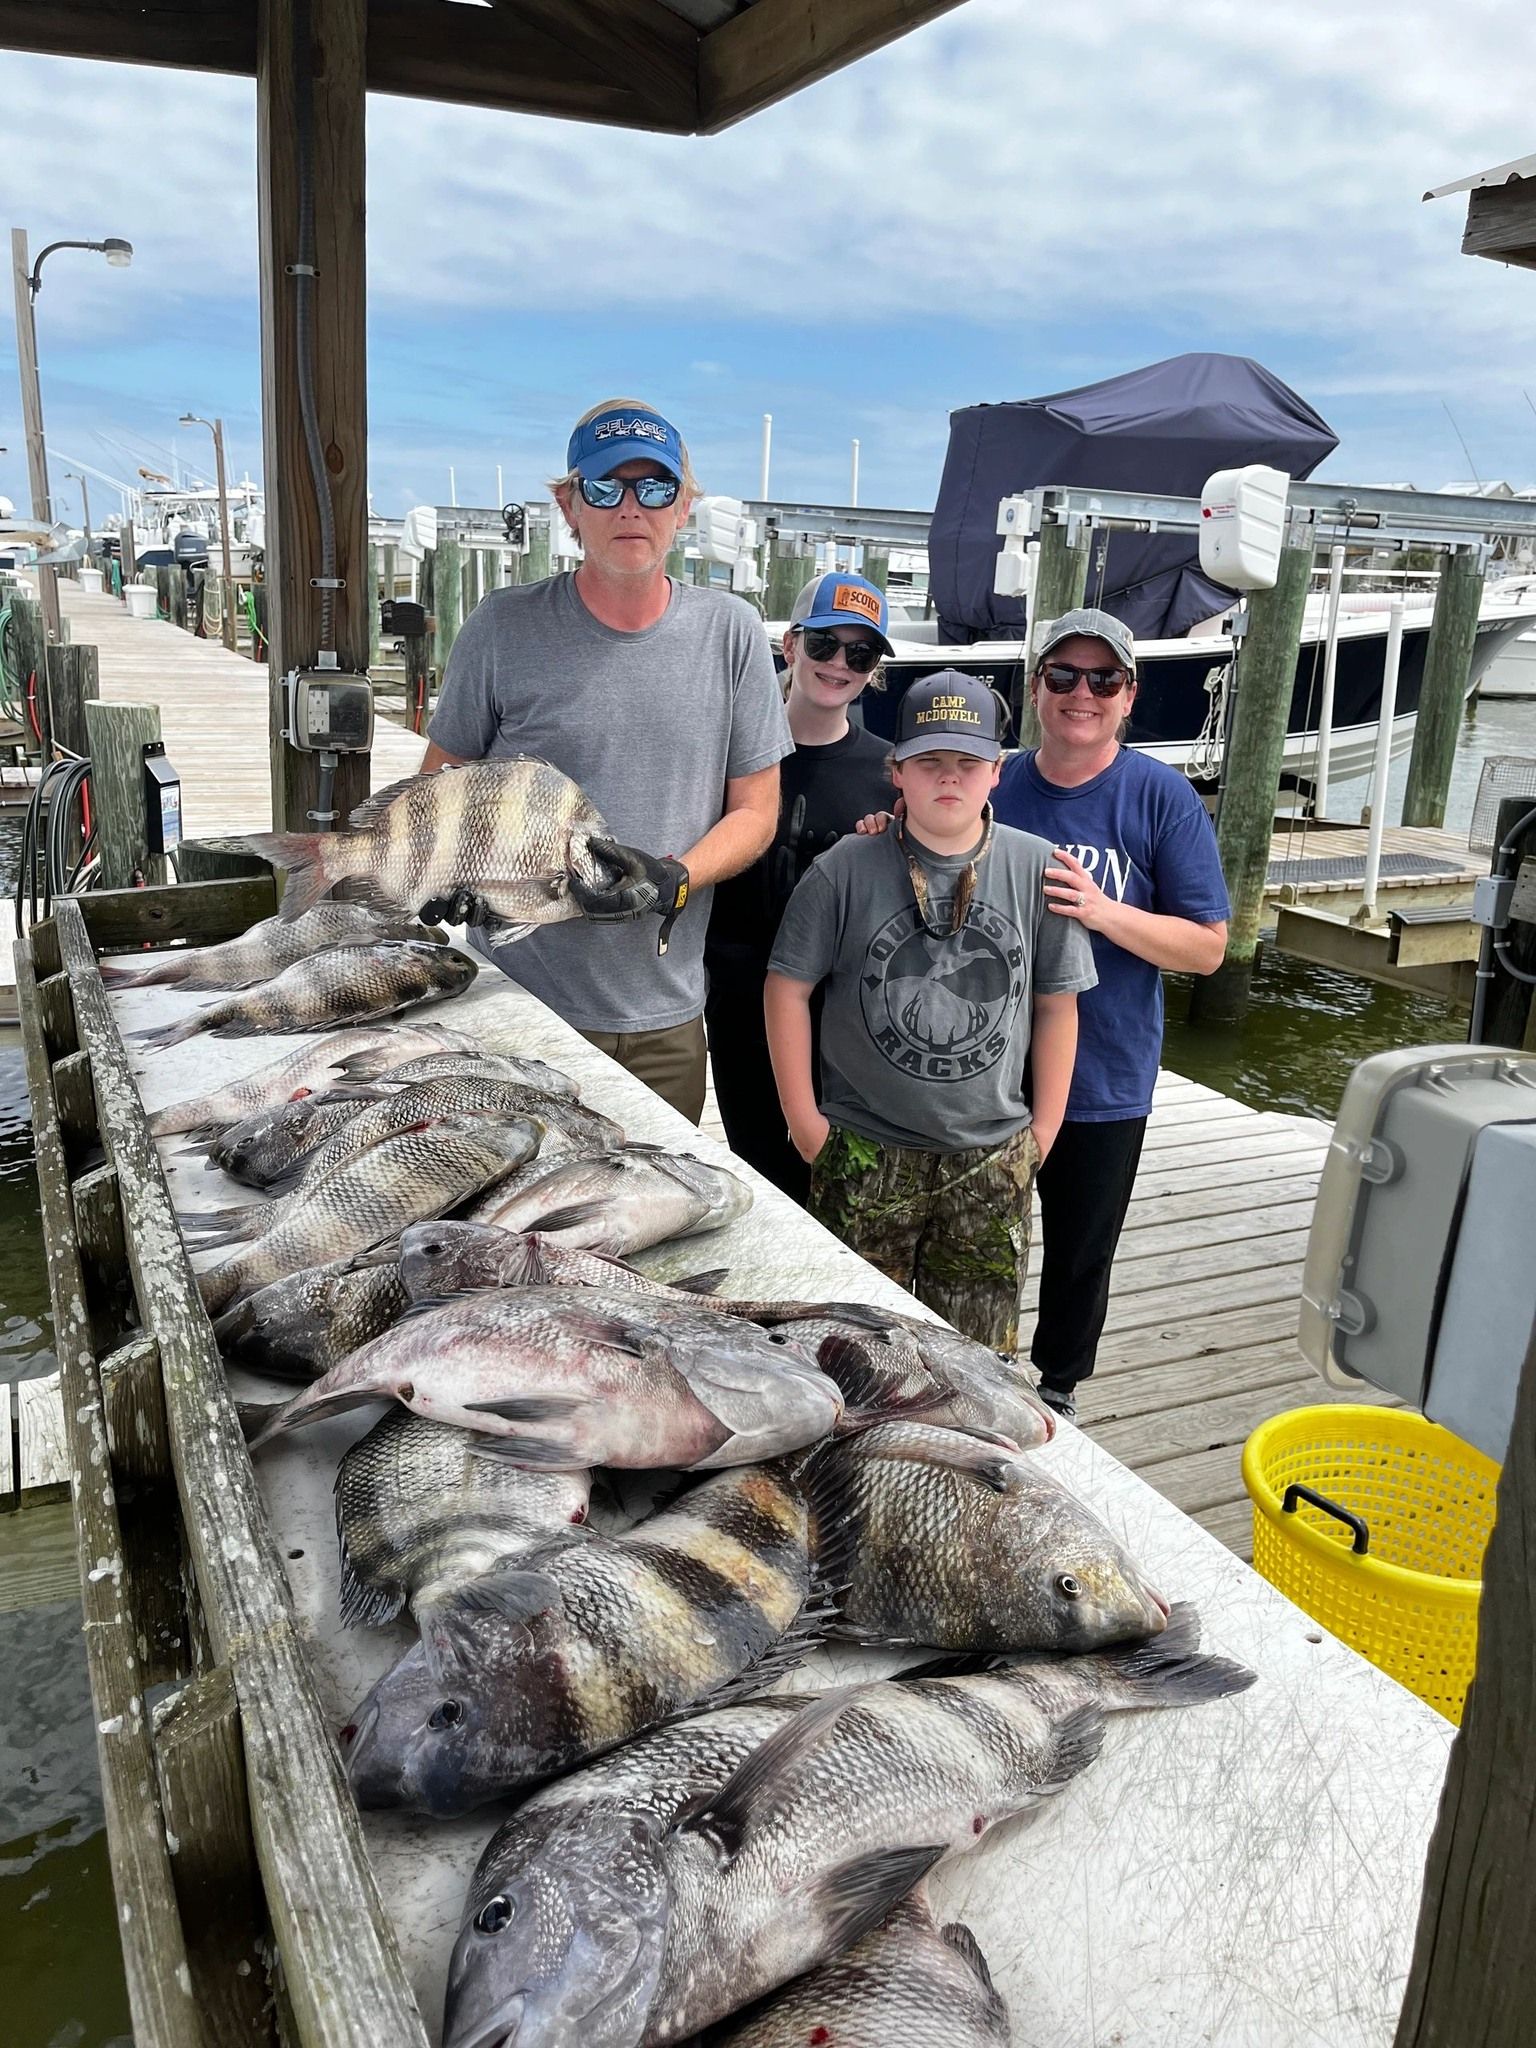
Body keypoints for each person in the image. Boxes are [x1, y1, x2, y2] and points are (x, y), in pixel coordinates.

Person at [420, 398, 791, 1123]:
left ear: (683, 506)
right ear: (569, 506)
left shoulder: (733, 631)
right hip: (515, 1003)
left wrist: (674, 880)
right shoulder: (502, 625)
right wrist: (450, 873)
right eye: (604, 487)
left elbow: (757, 809)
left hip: (664, 1016)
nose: (630, 507)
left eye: (654, 487)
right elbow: (439, 783)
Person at [765, 670, 1096, 1352]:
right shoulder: (843, 868)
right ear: (896, 771)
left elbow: (1057, 1007)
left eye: (968, 762)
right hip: (862, 1148)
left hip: (991, 1157)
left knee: (977, 1359)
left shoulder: (1041, 870)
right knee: (847, 1349)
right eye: (929, 761)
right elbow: (786, 989)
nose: (950, 777)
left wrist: (1044, 1132)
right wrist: (805, 1123)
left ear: (997, 771)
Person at [992, 605, 1230, 1421]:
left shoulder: (1162, 796)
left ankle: (1059, 1391)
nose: (1081, 694)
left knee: (1080, 1251)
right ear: (1036, 688)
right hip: (986, 1069)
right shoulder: (993, 780)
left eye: (1104, 679)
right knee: (978, 1238)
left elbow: (1207, 948)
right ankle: (975, 1367)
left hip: (1105, 1074)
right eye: (1064, 675)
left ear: (1129, 696)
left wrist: (1101, 911)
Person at [705, 570, 897, 1201]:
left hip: (841, 1016)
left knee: (842, 1183)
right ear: (790, 646)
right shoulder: (729, 754)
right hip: (738, 1002)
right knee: (760, 1171)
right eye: (823, 644)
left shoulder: (890, 770)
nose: (839, 663)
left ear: (873, 670)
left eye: (860, 655)